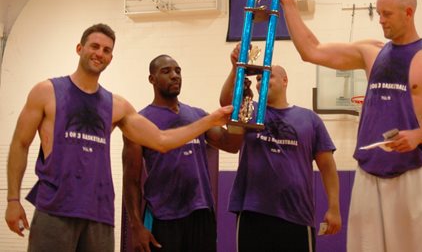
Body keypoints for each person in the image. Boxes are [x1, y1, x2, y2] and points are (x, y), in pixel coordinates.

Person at [271, 0, 422, 251]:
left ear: (408, 13)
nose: (381, 20)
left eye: (387, 14)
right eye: (379, 13)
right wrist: (288, 3)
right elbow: (311, 51)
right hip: (368, 174)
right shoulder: (370, 52)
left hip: (412, 175)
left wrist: (419, 135)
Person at [4, 23, 232, 252]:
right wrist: (13, 200)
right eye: (95, 46)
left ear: (111, 57)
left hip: (99, 214)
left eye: (106, 50)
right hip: (55, 208)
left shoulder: (117, 106)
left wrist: (210, 120)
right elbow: (20, 144)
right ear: (79, 48)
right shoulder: (47, 91)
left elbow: (161, 140)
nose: (99, 53)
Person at [220, 45, 341, 252]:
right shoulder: (249, 110)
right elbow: (226, 101)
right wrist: (235, 68)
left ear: (285, 81)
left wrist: (334, 207)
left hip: (296, 214)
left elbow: (328, 167)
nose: (261, 81)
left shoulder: (309, 119)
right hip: (253, 212)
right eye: (258, 78)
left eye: (269, 76)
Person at [122, 54, 242, 252]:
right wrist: (136, 226)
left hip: (201, 213)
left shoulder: (197, 115)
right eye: (166, 71)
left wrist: (240, 115)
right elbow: (131, 180)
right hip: (164, 216)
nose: (175, 75)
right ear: (152, 79)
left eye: (178, 71)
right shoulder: (140, 121)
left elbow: (231, 145)